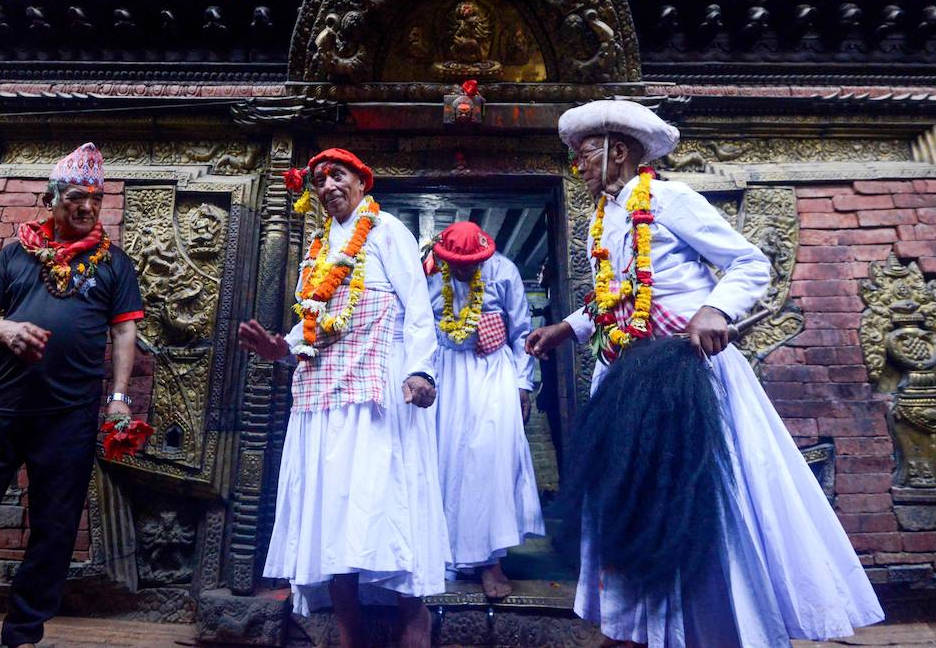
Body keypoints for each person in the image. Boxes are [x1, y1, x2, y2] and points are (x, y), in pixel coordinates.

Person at [526, 100, 884, 647]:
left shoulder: (670, 199)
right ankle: (639, 625)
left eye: (582, 152)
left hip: (685, 376)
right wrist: (567, 329)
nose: (575, 163)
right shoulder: (604, 216)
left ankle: (715, 626)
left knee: (696, 501)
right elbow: (615, 297)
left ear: (617, 151)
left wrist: (716, 310)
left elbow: (749, 264)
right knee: (630, 502)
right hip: (626, 379)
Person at [0, 143, 144, 648]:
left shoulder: (114, 264)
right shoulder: (15, 254)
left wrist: (120, 398)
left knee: (55, 530)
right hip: (2, 410)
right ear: (52, 197)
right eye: (77, 198)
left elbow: (124, 334)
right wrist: (7, 330)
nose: (87, 208)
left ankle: (21, 635)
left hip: (71, 416)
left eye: (96, 200)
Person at [237, 149, 447, 648]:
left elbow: (417, 306)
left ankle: (413, 618)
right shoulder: (316, 249)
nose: (329, 185)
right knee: (329, 502)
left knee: (388, 495)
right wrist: (278, 347)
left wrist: (419, 369)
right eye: (320, 180)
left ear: (361, 181)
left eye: (339, 175)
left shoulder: (386, 230)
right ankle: (347, 628)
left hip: (378, 388)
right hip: (322, 394)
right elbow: (313, 324)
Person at [425, 221, 543, 599]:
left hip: (493, 371)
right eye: (455, 266)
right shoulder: (428, 271)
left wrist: (523, 386)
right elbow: (417, 326)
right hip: (446, 372)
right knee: (446, 462)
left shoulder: (504, 271)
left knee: (490, 461)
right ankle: (445, 555)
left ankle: (491, 560)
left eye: (470, 265)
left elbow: (522, 332)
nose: (462, 272)